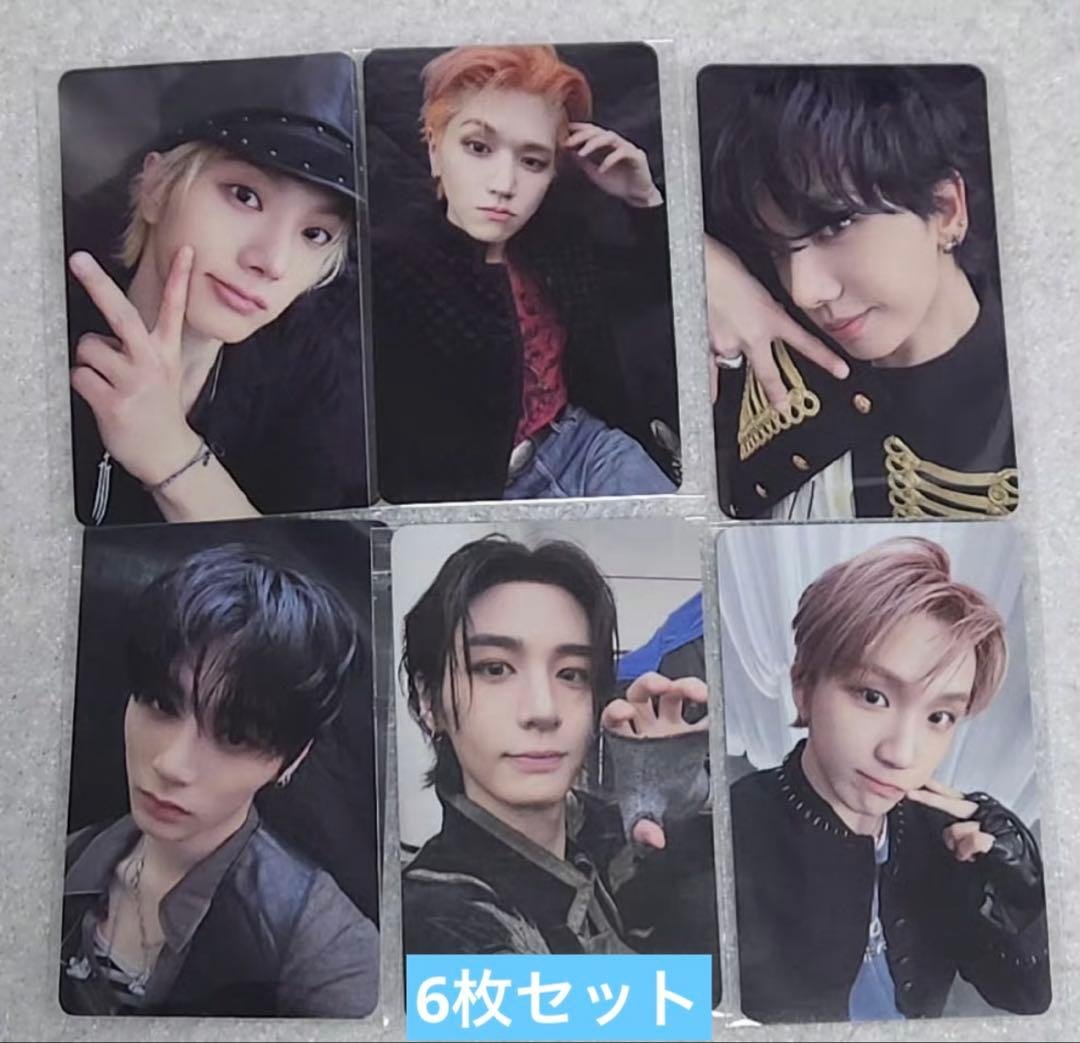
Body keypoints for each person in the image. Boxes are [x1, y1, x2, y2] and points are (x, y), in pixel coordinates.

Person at [729, 538, 1049, 1023]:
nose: (901, 754)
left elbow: (1028, 998)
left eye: (939, 716)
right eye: (872, 696)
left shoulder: (944, 836)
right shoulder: (735, 830)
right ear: (804, 688)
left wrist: (1022, 899)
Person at [60, 546, 379, 1017]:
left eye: (235, 736)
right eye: (161, 704)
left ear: (291, 760)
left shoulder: (319, 941)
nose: (172, 764)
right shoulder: (71, 857)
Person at [398, 535, 717, 987]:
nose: (544, 710)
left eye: (571, 674)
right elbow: (680, 1008)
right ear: (430, 701)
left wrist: (680, 810)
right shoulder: (436, 923)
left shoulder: (602, 832)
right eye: (494, 669)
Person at [700, 66, 1017, 520]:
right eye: (778, 250)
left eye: (835, 227)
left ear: (947, 211)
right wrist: (708, 266)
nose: (805, 291)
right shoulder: (753, 317)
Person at [64, 54, 368, 525]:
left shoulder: (318, 377)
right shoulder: (38, 314)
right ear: (156, 188)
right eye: (245, 196)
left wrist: (170, 454)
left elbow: (308, 569)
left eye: (315, 234)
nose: (271, 262)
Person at [370, 45, 679, 503]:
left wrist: (643, 200)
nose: (504, 184)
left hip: (584, 447)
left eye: (532, 161)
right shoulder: (388, 266)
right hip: (479, 495)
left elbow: (657, 299)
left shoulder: (560, 244)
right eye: (478, 148)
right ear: (435, 149)